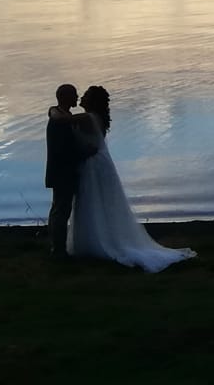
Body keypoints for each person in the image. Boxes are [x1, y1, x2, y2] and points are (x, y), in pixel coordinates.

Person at [66, 85, 196, 273]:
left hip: (94, 165)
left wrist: (53, 110)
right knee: (102, 202)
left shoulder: (87, 118)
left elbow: (64, 120)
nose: (81, 98)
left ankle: (96, 241)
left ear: (92, 100)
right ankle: (101, 237)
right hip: (100, 163)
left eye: (85, 95)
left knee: (92, 200)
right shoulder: (98, 119)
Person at [45, 83, 95, 258]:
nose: (76, 97)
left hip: (62, 171)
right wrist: (85, 153)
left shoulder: (64, 115)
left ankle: (57, 248)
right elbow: (64, 150)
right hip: (62, 172)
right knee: (61, 210)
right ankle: (58, 250)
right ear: (65, 97)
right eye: (73, 95)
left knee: (59, 209)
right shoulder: (58, 118)